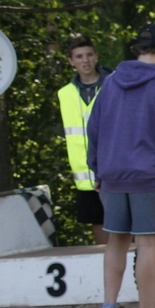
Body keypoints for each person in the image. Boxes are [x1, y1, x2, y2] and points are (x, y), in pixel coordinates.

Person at [85, 22, 155, 308]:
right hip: (148, 175)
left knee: (115, 241)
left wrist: (98, 170)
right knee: (147, 243)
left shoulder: (111, 82)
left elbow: (94, 129)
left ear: (137, 50)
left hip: (111, 174)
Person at [57, 33, 113, 243]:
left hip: (112, 169)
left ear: (96, 57)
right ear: (71, 61)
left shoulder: (111, 85)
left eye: (89, 55)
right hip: (84, 176)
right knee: (98, 226)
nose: (85, 60)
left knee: (124, 227)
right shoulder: (65, 93)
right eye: (79, 56)